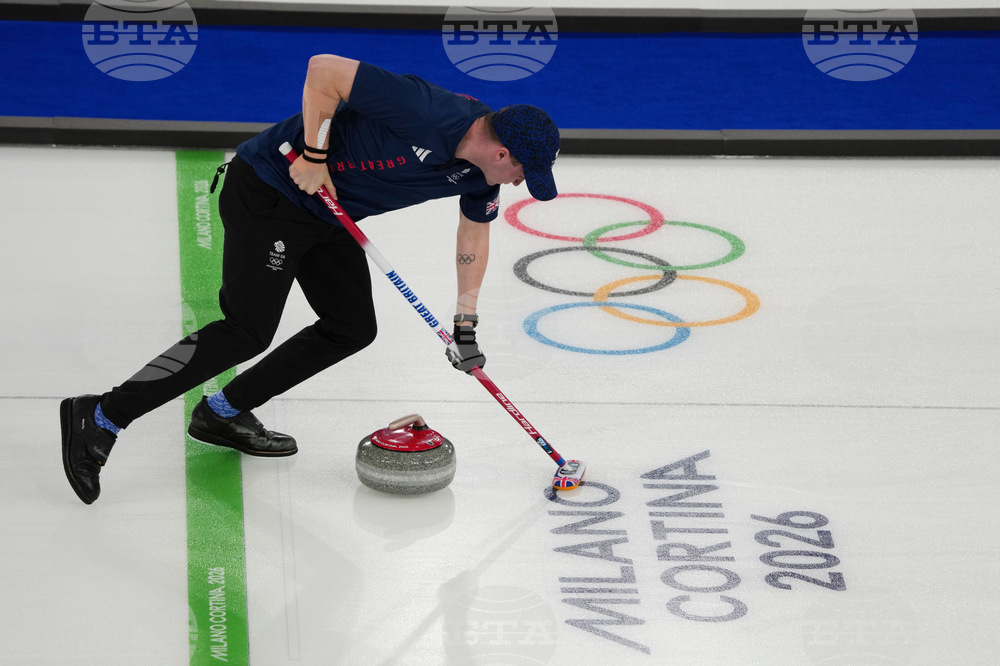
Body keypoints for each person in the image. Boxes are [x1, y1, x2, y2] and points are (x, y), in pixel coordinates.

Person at [60, 54, 560, 504]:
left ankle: (224, 411)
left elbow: (474, 234)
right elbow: (325, 70)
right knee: (245, 330)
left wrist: (465, 321)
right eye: (523, 172)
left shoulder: (479, 176)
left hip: (329, 213)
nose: (520, 183)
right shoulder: (430, 110)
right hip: (271, 192)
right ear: (502, 154)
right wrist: (316, 157)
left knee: (351, 326)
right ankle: (103, 414)